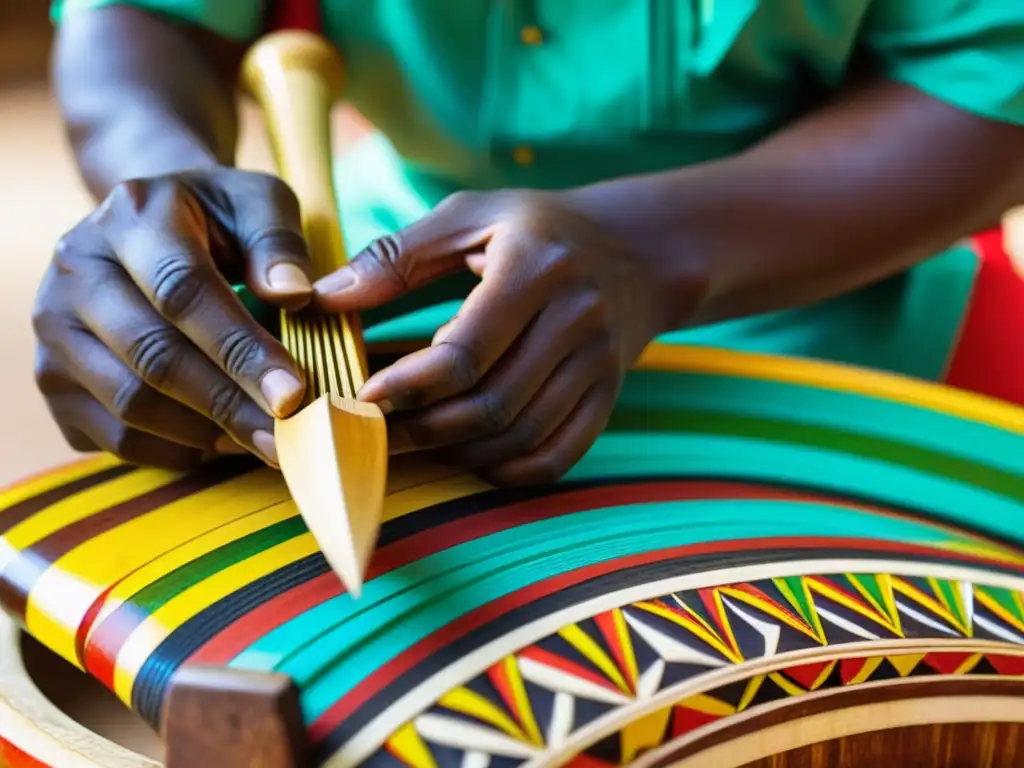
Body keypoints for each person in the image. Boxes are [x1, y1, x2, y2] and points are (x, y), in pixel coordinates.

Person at [33, 1, 1024, 485]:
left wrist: (645, 251)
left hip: (866, 338)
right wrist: (155, 180)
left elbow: (990, 65)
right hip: (390, 320)